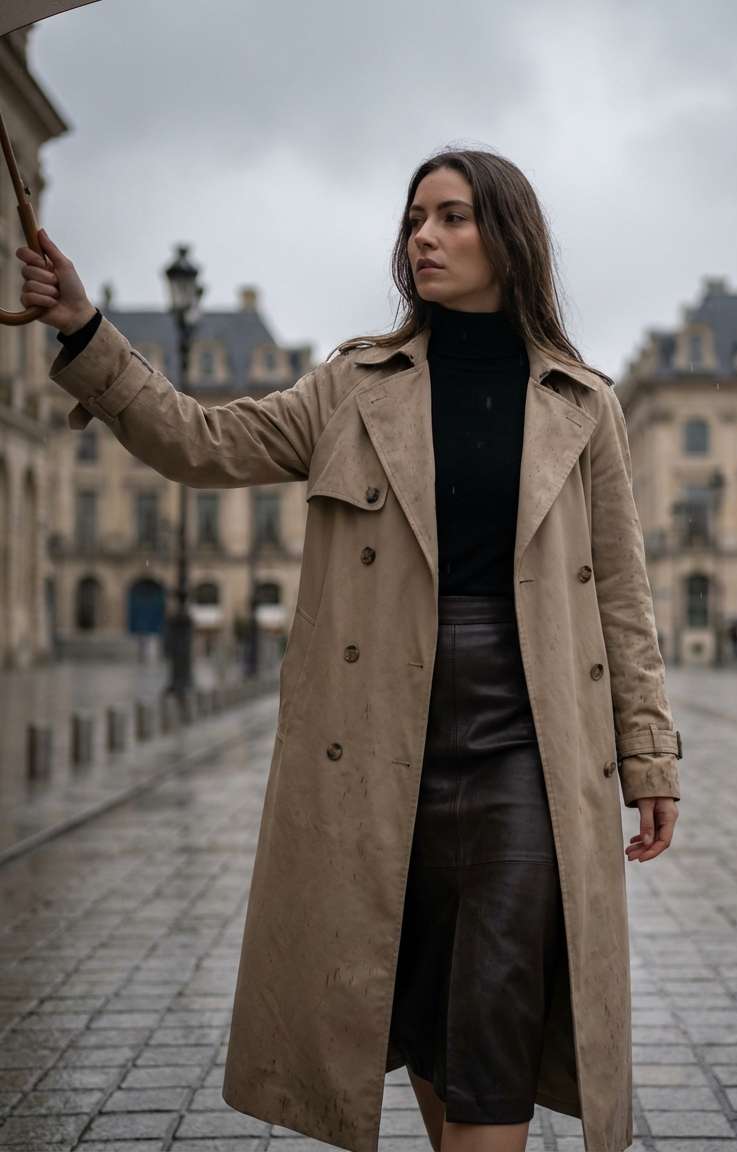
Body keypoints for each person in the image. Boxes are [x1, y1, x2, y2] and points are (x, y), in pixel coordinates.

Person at [18, 147, 682, 1152]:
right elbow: (200, 442)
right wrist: (84, 328)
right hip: (375, 749)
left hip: (527, 749)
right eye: (415, 218)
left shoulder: (580, 404)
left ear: (510, 237)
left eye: (453, 217)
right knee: (416, 1006)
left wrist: (648, 754)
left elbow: (622, 596)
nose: (424, 236)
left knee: (495, 1023)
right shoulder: (353, 387)